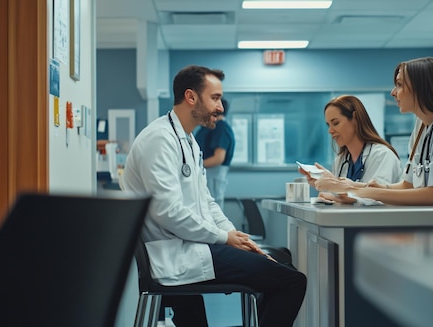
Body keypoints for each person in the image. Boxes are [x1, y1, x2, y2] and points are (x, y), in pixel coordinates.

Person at [122, 65, 306, 327]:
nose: (220, 107)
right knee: (292, 282)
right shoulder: (159, 140)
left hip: (191, 245)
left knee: (280, 263)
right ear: (191, 97)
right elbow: (168, 211)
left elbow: (206, 201)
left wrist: (234, 235)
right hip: (174, 254)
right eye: (215, 98)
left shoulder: (188, 141)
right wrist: (224, 238)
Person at [314, 57, 433, 206]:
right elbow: (408, 185)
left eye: (400, 84)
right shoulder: (423, 125)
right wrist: (360, 186)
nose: (394, 92)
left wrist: (356, 191)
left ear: (421, 87)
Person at [299, 95, 402, 203]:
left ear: (355, 118)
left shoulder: (382, 155)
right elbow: (345, 196)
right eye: (328, 125)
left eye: (335, 123)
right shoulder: (341, 160)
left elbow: (375, 199)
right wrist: (327, 184)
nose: (330, 130)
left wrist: (334, 193)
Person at [195, 98, 235, 209]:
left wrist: (193, 165)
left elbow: (218, 158)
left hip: (213, 177)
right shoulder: (208, 128)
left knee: (212, 210)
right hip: (205, 176)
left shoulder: (220, 128)